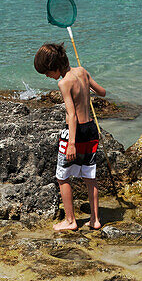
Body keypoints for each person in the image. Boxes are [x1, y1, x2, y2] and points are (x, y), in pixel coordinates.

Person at [34, 42, 105, 232]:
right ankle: (95, 220)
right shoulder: (82, 71)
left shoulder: (63, 82)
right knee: (90, 177)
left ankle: (70, 220)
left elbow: (71, 114)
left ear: (55, 67)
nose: (48, 77)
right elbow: (102, 92)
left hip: (75, 133)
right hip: (91, 129)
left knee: (62, 177)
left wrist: (71, 143)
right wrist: (87, 87)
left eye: (47, 73)